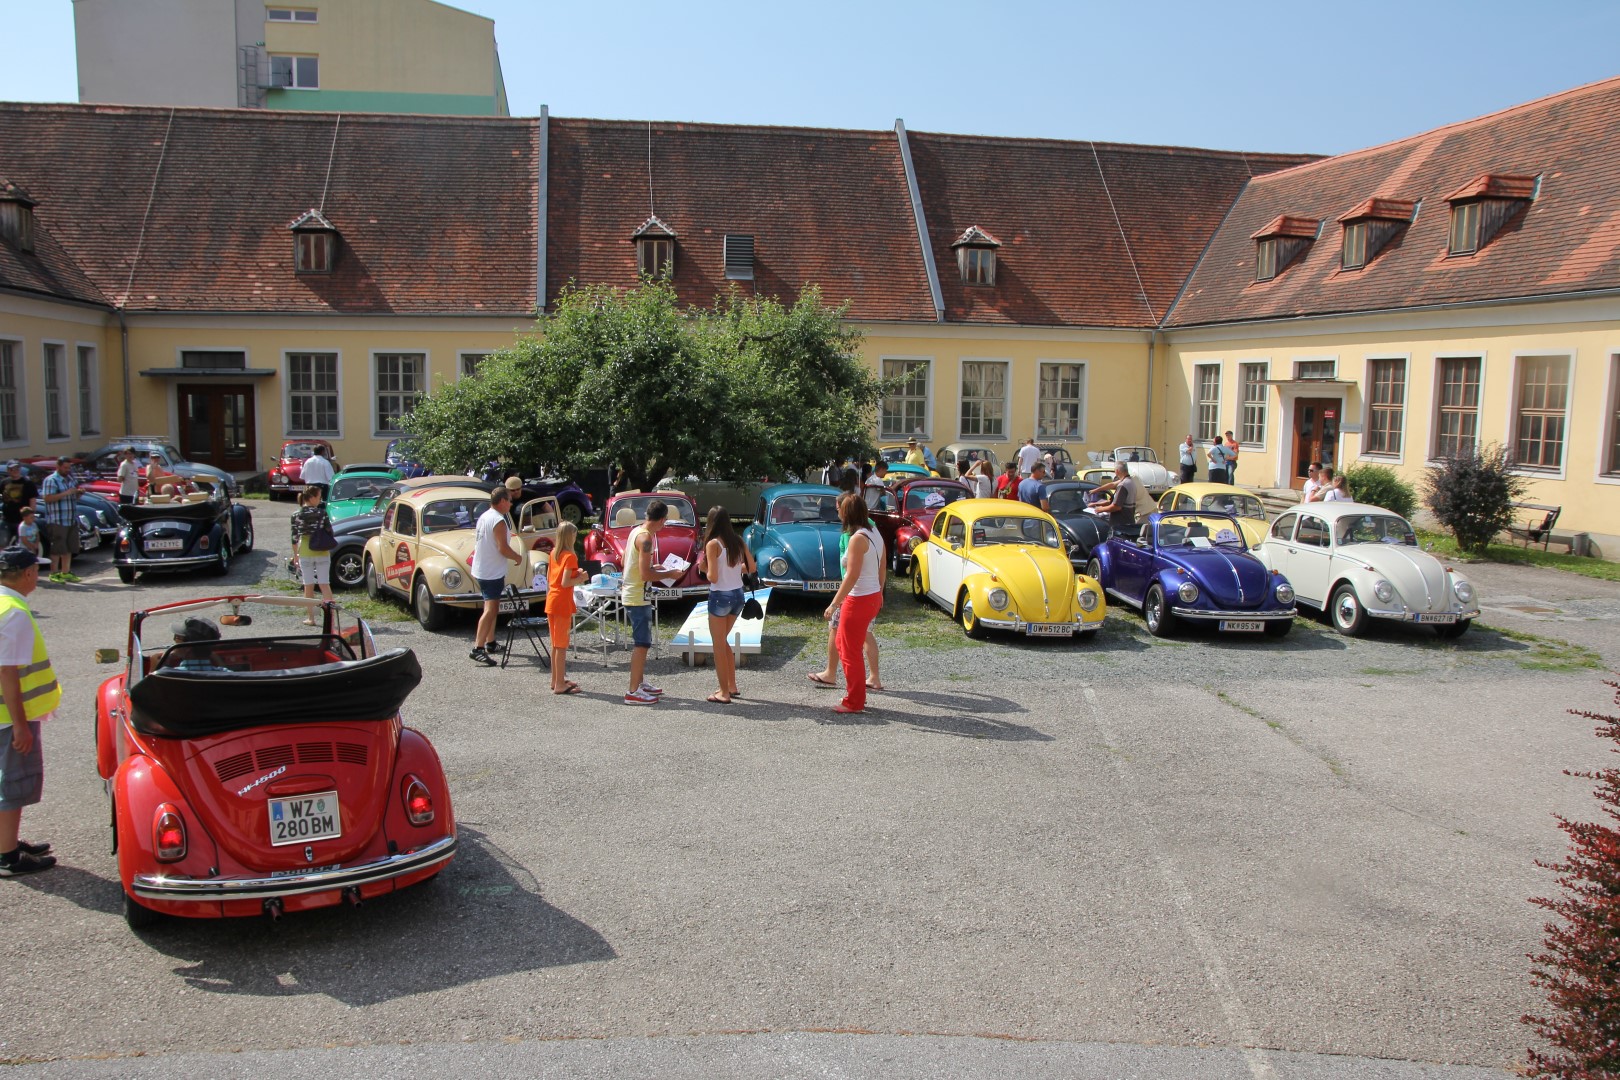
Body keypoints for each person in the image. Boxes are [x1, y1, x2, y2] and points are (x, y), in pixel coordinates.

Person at [0, 544, 58, 877]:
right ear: (27, 574)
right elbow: (7, 671)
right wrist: (21, 725)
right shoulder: (15, 612)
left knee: (6, 782)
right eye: (37, 570)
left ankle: (5, 842)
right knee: (13, 785)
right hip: (10, 718)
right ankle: (7, 857)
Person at [808, 494, 883, 695]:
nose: (838, 513)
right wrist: (880, 591)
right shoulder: (874, 532)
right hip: (869, 595)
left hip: (859, 598)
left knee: (849, 651)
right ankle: (854, 694)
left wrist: (834, 604)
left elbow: (851, 575)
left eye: (839, 509)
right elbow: (881, 565)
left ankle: (854, 699)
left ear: (847, 512)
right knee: (847, 644)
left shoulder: (858, 539)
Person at [622, 500, 681, 705]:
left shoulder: (636, 532)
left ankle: (639, 683)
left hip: (637, 594)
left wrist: (655, 566)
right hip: (637, 597)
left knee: (643, 643)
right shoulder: (646, 538)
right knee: (642, 644)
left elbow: (627, 562)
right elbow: (645, 573)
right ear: (662, 519)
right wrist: (669, 573)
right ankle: (632, 691)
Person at [696, 506, 756, 704]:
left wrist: (703, 567)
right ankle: (731, 685)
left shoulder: (713, 544)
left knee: (718, 644)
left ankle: (724, 692)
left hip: (720, 596)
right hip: (738, 595)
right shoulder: (737, 541)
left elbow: (712, 577)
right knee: (723, 641)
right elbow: (751, 567)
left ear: (711, 523)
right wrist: (731, 568)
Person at [469, 486, 524, 666]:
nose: (511, 503)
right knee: (491, 609)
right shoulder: (498, 520)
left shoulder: (485, 516)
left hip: (484, 569)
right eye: (509, 500)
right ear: (501, 501)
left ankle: (490, 642)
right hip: (490, 571)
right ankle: (478, 648)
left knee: (492, 605)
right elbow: (502, 548)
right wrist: (517, 556)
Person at [546, 520, 589, 695]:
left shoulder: (554, 553)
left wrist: (575, 574)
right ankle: (559, 685)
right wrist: (581, 578)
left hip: (552, 599)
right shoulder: (570, 556)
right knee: (562, 644)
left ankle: (556, 679)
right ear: (570, 536)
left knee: (556, 644)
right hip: (562, 601)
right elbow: (565, 582)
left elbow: (553, 578)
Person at [290, 485, 335, 623]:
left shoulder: (296, 515)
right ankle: (331, 619)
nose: (320, 500)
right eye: (319, 497)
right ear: (312, 497)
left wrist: (295, 556)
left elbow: (294, 538)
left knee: (308, 585)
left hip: (305, 552)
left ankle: (311, 617)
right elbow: (330, 531)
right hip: (321, 551)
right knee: (324, 584)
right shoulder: (322, 513)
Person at [39, 457, 81, 583]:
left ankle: (65, 572)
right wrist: (67, 493)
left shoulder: (70, 479)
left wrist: (78, 493)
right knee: (57, 548)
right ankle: (54, 573)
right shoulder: (51, 480)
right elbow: (47, 498)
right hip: (57, 520)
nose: (67, 470)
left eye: (69, 468)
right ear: (58, 466)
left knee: (68, 548)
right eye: (65, 467)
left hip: (70, 518)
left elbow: (72, 497)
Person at [1090, 462, 1151, 536]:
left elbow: (1117, 506)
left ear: (1117, 471)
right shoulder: (1130, 481)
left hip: (1121, 525)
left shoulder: (1123, 485)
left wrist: (1100, 509)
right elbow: (1112, 488)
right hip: (1129, 522)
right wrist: (1096, 492)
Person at [0, 460, 38, 549]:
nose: (15, 470)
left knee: (24, 546)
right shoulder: (4, 483)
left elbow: (33, 501)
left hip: (22, 521)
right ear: (8, 470)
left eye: (17, 468)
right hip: (6, 519)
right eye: (12, 469)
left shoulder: (28, 483)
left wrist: (30, 518)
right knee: (2, 544)